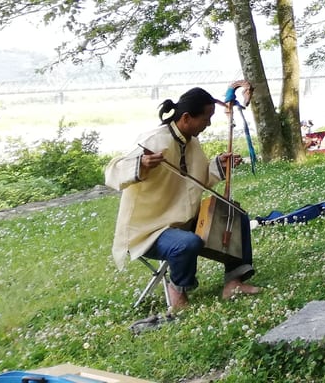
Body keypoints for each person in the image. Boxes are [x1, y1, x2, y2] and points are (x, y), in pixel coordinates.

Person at [105, 82, 261, 313]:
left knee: (235, 217)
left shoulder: (191, 143)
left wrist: (219, 165)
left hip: (181, 220)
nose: (208, 124)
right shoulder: (154, 140)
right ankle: (177, 290)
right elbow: (112, 173)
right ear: (187, 117)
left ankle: (233, 282)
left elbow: (196, 179)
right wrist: (141, 165)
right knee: (187, 243)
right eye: (206, 118)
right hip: (149, 230)